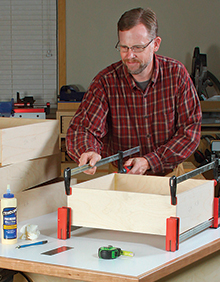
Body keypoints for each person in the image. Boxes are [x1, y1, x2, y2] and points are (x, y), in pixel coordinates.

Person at [66, 7, 202, 176]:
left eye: (137, 48)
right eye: (124, 47)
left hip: (168, 176)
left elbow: (190, 132)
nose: (129, 55)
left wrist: (150, 161)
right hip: (122, 177)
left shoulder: (177, 75)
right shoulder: (105, 82)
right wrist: (88, 150)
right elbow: (84, 128)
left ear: (156, 44)